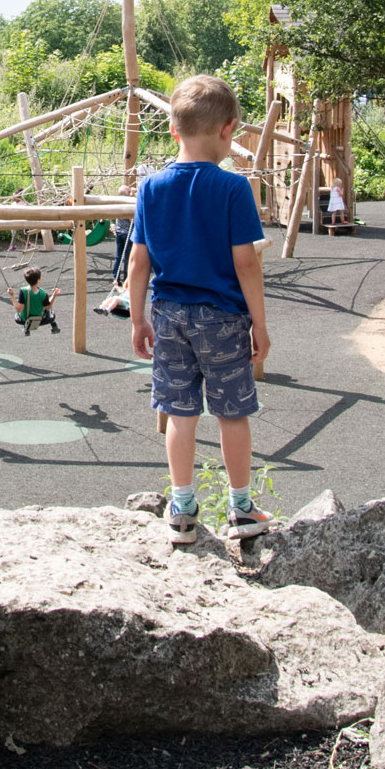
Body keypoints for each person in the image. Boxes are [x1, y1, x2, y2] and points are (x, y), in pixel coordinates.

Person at [128, 73, 274, 543]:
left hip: (169, 313)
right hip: (224, 317)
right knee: (232, 413)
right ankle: (241, 508)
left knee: (179, 412)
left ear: (174, 130)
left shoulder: (151, 187)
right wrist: (260, 325)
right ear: (229, 129)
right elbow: (246, 263)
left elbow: (138, 261)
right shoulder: (233, 189)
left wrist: (137, 319)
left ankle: (183, 508)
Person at [14, 266, 59, 337]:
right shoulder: (43, 293)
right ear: (38, 280)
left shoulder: (23, 291)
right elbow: (48, 307)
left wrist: (11, 296)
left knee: (20, 304)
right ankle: (54, 325)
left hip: (24, 319)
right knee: (49, 310)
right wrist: (54, 295)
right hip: (41, 319)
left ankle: (26, 328)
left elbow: (20, 309)